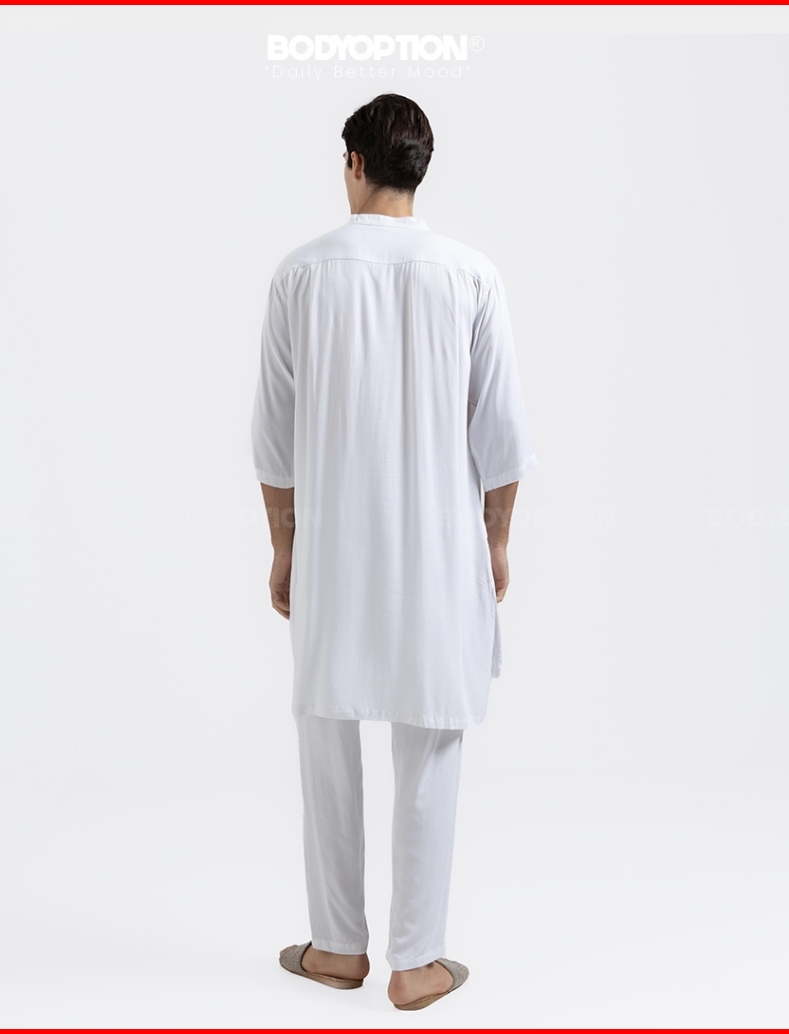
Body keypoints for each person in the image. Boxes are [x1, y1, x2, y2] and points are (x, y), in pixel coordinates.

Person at [251, 93, 537, 1011]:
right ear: (420, 168)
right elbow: (503, 438)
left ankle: (338, 947)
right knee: (431, 738)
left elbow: (274, 442)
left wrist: (283, 550)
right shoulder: (471, 275)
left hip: (334, 551)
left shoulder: (301, 275)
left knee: (325, 740)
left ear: (353, 162)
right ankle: (416, 962)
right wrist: (495, 543)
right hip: (440, 548)